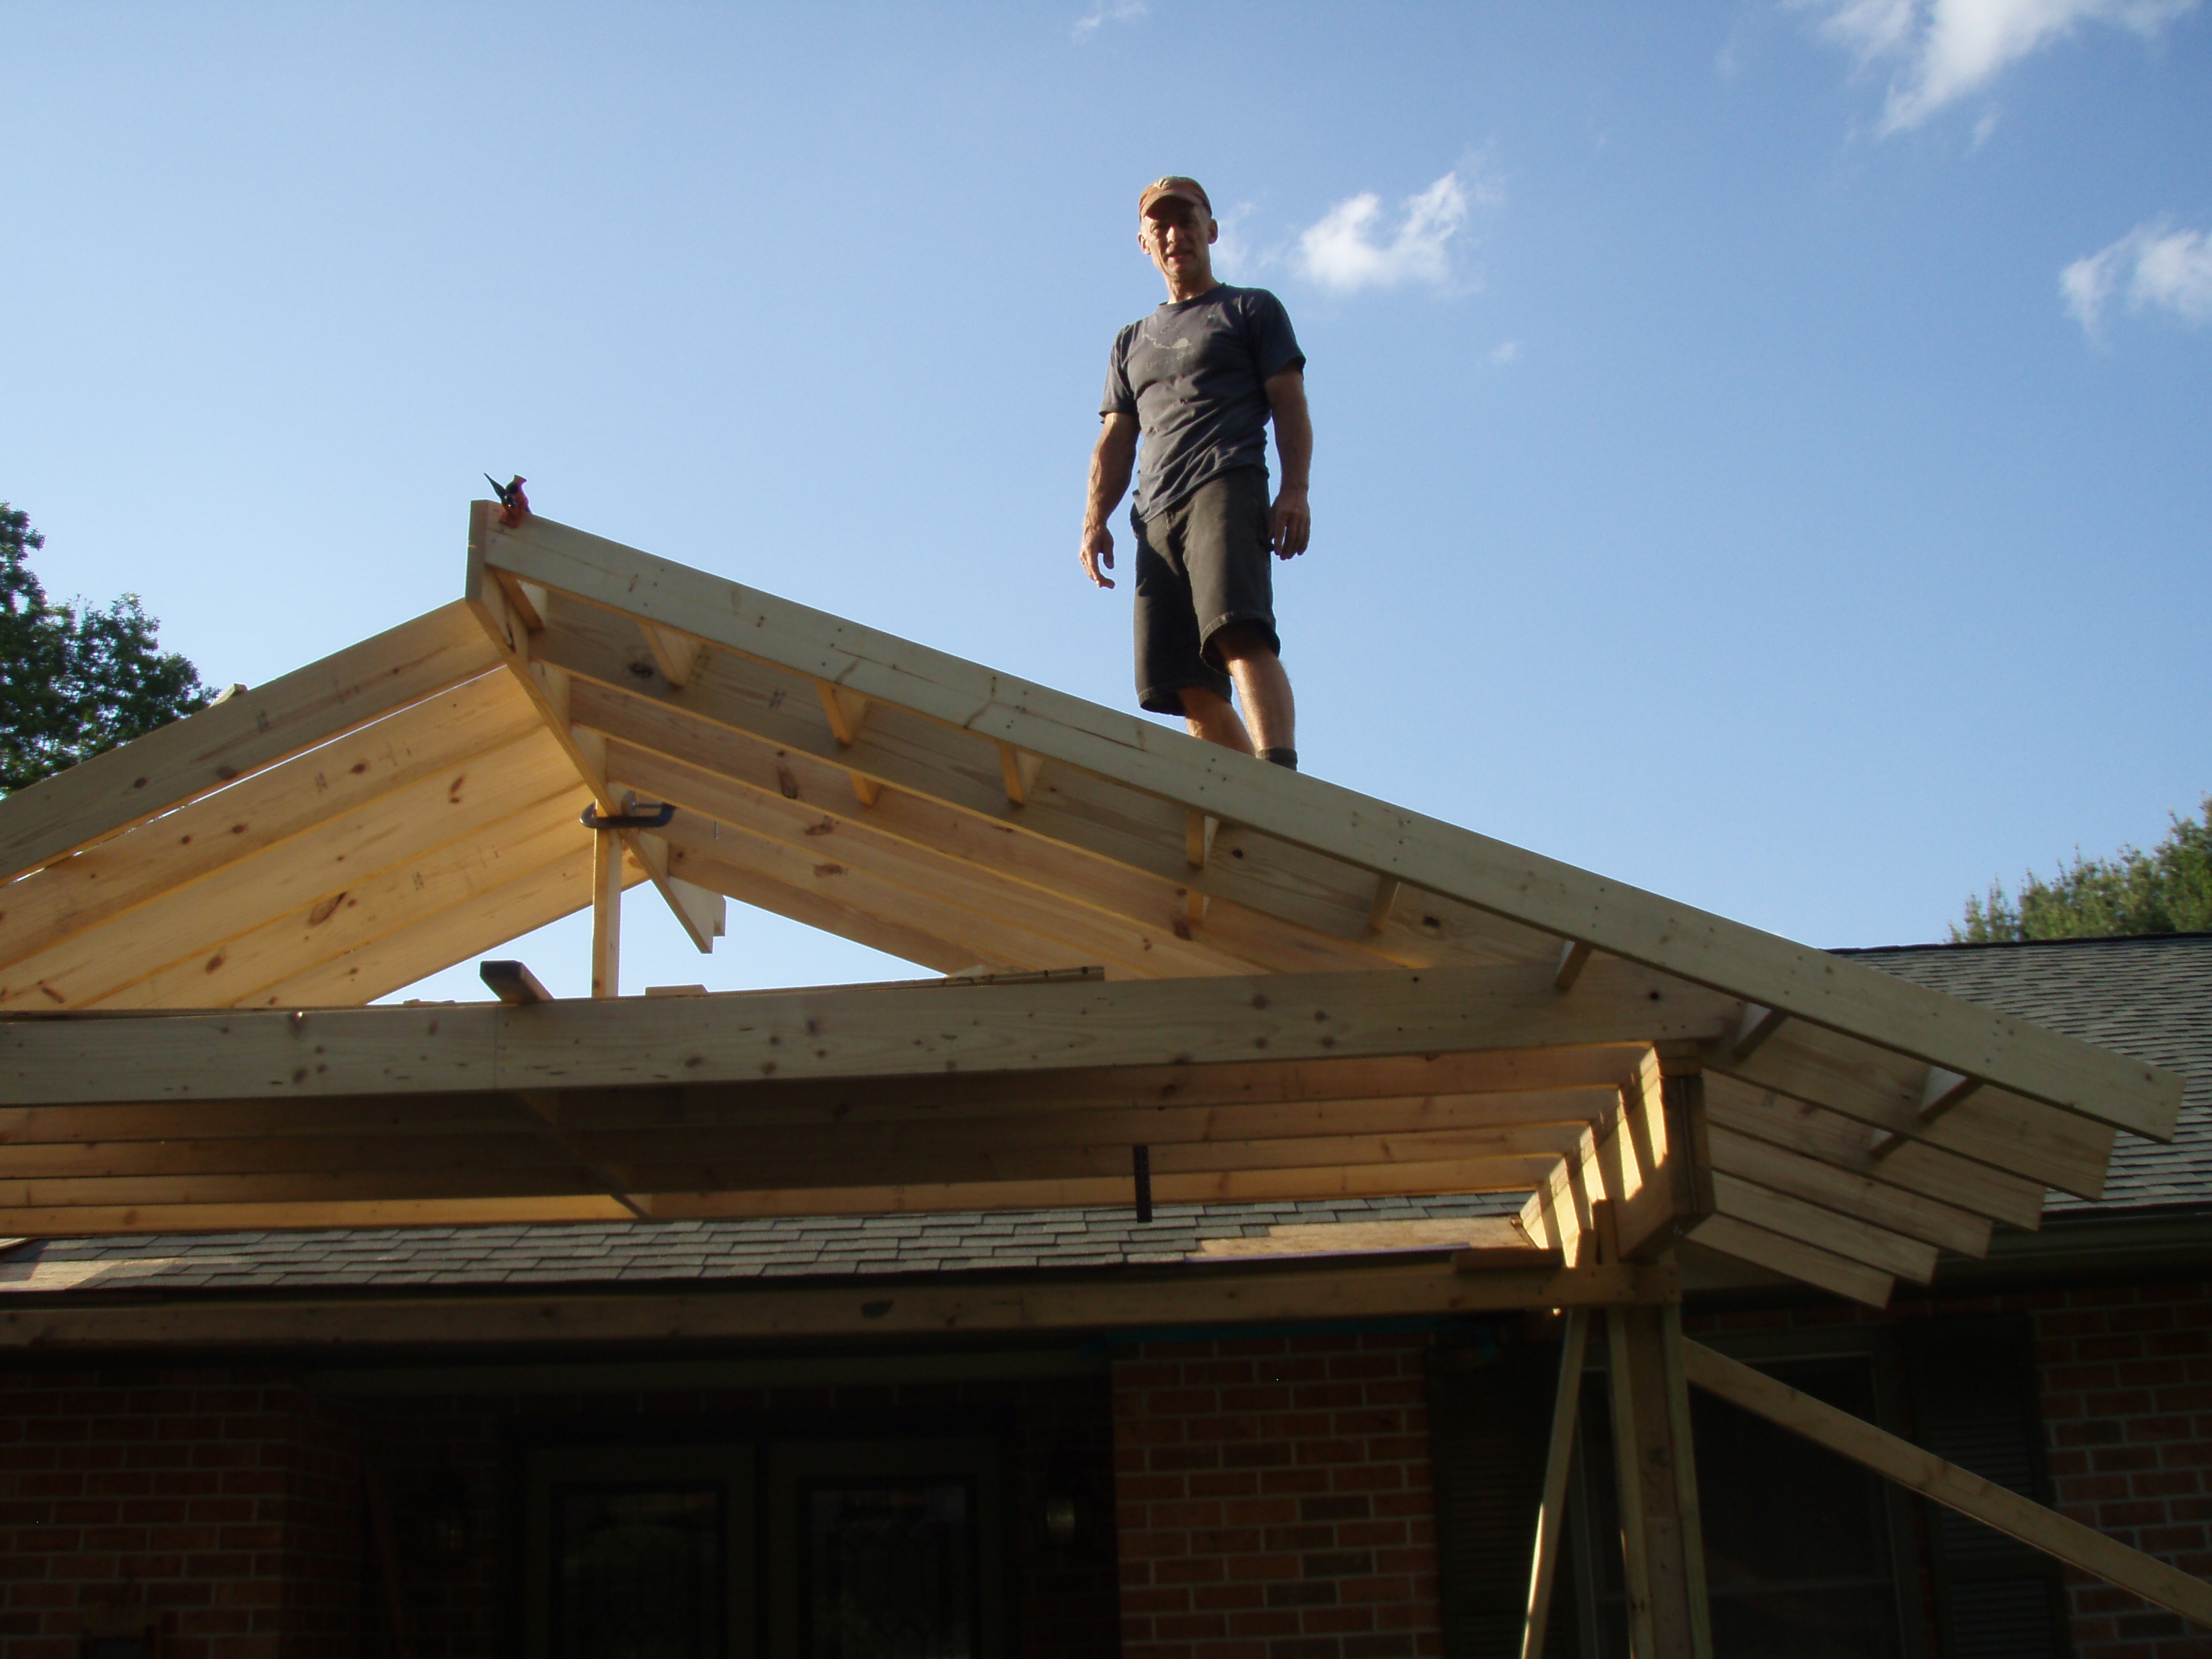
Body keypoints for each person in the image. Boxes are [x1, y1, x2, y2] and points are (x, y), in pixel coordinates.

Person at [1080, 175, 1312, 770]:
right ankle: (1251, 803)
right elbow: (1116, 434)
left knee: (1237, 631)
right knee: (1184, 683)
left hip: (1224, 482)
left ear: (1211, 230)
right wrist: (1094, 519)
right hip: (1152, 513)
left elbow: (1289, 398)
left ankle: (1280, 780)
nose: (1175, 235)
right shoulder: (1131, 341)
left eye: (1187, 221)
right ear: (1144, 243)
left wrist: (1295, 489)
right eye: (1161, 226)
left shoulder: (1249, 308)